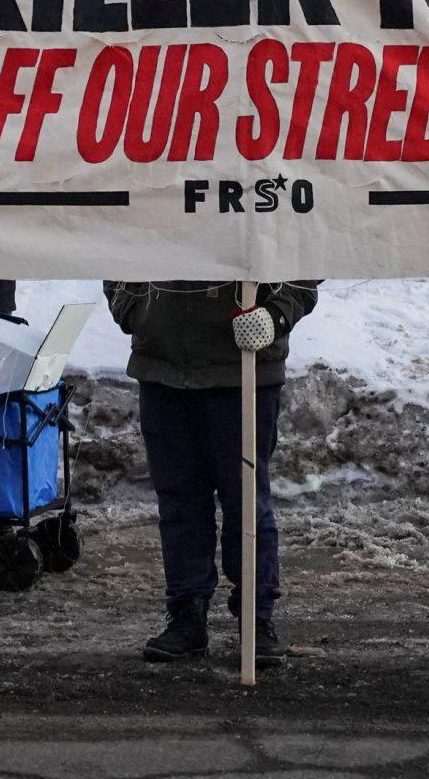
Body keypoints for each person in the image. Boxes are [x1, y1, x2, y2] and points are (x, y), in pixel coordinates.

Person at [108, 276, 320, 667]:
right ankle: (187, 614)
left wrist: (275, 316)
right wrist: (132, 304)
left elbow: (306, 254)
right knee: (179, 501)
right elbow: (117, 242)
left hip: (244, 367)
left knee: (245, 500)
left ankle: (256, 618)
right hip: (163, 368)